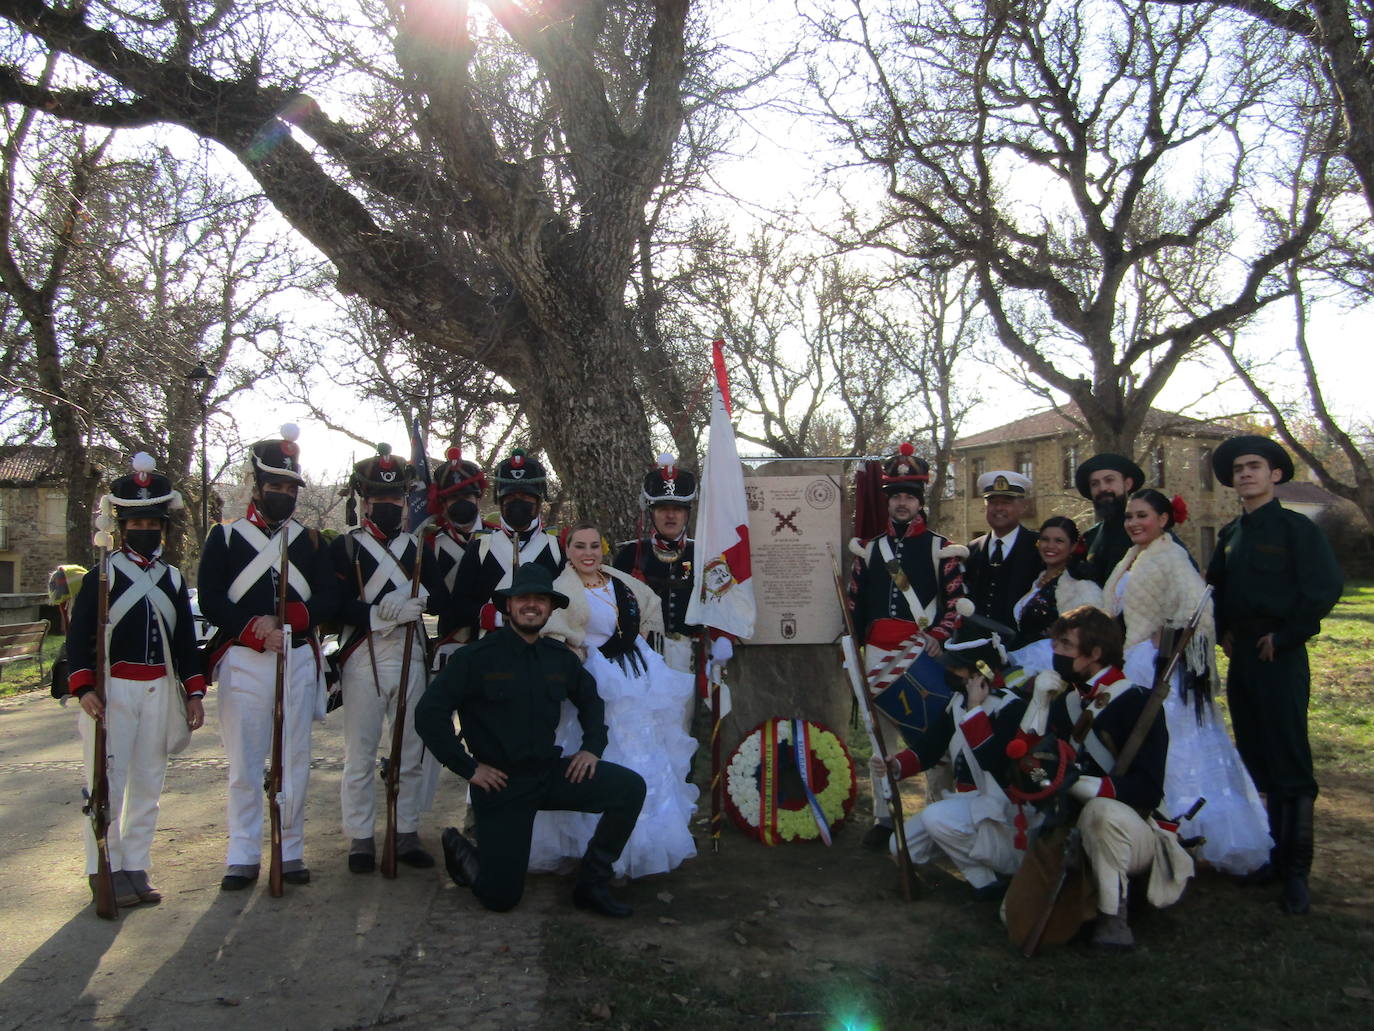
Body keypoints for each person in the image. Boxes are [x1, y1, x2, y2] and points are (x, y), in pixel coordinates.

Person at [415, 565, 647, 917]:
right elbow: (429, 714)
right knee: (501, 898)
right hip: (501, 785)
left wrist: (592, 747)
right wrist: (468, 767)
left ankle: (591, 884)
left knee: (629, 788)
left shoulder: (558, 659)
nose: (532, 605)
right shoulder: (475, 658)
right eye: (523, 598)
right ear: (508, 606)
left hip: (549, 774)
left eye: (540, 600)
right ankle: (464, 851)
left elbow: (590, 700)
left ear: (550, 609)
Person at [198, 424, 339, 891]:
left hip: (296, 656)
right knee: (245, 761)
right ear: (257, 488)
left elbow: (328, 598)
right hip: (244, 660)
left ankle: (290, 847)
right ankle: (241, 853)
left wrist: (289, 622)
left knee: (294, 759)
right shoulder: (225, 537)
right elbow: (213, 598)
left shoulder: (311, 541)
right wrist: (254, 629)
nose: (282, 494)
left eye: (288, 487)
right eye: (274, 486)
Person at [1102, 488, 1271, 875]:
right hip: (1134, 658)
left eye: (1142, 515)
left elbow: (1200, 607)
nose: (1133, 523)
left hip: (1160, 665)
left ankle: (1196, 831)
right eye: (1129, 516)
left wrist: (1170, 634)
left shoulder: (1172, 556)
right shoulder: (1134, 556)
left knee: (1177, 747)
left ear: (1163, 520)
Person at [1207, 435, 1343, 914]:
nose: (1245, 474)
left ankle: (1297, 873)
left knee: (1288, 754)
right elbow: (1214, 589)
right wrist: (1222, 630)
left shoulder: (1295, 529)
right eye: (1238, 469)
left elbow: (1324, 588)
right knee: (1257, 755)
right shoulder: (1230, 535)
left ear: (1275, 475)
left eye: (1254, 467)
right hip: (1242, 654)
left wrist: (1287, 636)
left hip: (1278, 654)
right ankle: (1271, 856)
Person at [67, 454, 206, 907]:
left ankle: (136, 866)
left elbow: (185, 642)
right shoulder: (101, 576)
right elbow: (79, 637)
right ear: (122, 526)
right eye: (137, 522)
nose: (145, 529)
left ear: (163, 527)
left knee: (148, 783)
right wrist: (85, 688)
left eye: (153, 522)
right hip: (113, 693)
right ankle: (101, 869)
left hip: (159, 690)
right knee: (108, 784)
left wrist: (193, 692)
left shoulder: (170, 579)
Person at [530, 523, 698, 878]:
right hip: (598, 681)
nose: (588, 553)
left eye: (594, 545)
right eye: (579, 546)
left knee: (648, 751)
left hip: (636, 673)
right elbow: (554, 633)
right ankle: (600, 852)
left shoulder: (618, 579)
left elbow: (646, 609)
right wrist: (572, 649)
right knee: (608, 750)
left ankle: (646, 843)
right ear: (568, 550)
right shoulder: (562, 589)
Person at [1040, 606, 1193, 949]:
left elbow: (1148, 790)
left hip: (1133, 827)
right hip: (1073, 823)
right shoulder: (1067, 701)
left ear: (1094, 654)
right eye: (1057, 644)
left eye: (1066, 645)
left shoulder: (1136, 703)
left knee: (1102, 813)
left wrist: (1080, 785)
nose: (1057, 653)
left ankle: (1114, 919)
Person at [848, 442, 969, 850]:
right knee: (880, 741)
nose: (902, 503)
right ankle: (885, 817)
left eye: (909, 497)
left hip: (921, 656)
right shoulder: (870, 550)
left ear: (920, 502)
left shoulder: (940, 548)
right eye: (896, 496)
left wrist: (939, 636)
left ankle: (939, 815)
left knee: (931, 740)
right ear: (888, 501)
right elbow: (854, 604)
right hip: (877, 657)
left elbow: (955, 601)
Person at [331, 445, 437, 874]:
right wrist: (375, 614)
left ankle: (406, 830)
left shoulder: (416, 546)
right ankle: (360, 837)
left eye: (396, 500)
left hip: (410, 652)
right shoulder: (348, 547)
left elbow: (439, 595)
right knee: (360, 753)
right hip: (362, 654)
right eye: (380, 500)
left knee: (410, 751)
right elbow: (333, 604)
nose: (389, 506)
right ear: (365, 501)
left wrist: (420, 599)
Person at [871, 620, 1030, 900]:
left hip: (1001, 814)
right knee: (901, 846)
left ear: (980, 672)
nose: (949, 671)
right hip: (966, 809)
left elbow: (994, 764)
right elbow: (929, 749)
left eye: (956, 667)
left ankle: (988, 883)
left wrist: (974, 711)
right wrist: (894, 765)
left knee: (936, 816)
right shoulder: (956, 703)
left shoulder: (1011, 708)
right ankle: (979, 862)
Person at [450, 448, 565, 635]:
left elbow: (569, 601)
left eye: (526, 497)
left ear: (538, 501)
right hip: (491, 647)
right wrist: (494, 616)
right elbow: (459, 603)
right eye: (510, 497)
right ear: (501, 501)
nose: (518, 502)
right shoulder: (480, 547)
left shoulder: (557, 548)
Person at [612, 455, 702, 674]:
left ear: (687, 514)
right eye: (662, 509)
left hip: (690, 657)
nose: (670, 515)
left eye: (678, 509)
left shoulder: (701, 553)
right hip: (642, 656)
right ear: (651, 512)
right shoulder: (629, 555)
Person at [424, 447, 494, 668]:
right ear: (443, 503)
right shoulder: (432, 543)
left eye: (466, 496)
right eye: (453, 498)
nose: (461, 502)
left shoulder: (498, 536)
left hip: (494, 638)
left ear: (477, 497)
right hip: (450, 640)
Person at [1007, 516, 1104, 670]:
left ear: (1072, 546)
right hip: (1020, 665)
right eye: (1045, 539)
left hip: (1051, 671)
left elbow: (1083, 642)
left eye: (1059, 541)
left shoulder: (1081, 586)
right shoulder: (1038, 578)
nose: (1050, 546)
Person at [964, 471, 1042, 630]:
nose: (998, 508)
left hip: (1022, 648)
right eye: (992, 502)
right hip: (976, 645)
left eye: (1007, 502)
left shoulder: (1039, 548)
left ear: (1022, 506)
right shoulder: (972, 550)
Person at [1072, 453, 1145, 587]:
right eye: (1095, 484)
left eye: (1109, 480)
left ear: (1127, 484)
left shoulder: (1147, 531)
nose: (1102, 488)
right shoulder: (1090, 538)